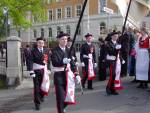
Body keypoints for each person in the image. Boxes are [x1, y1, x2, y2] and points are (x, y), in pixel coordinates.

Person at [51, 32, 81, 113]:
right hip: (59, 76)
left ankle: (63, 107)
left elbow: (72, 64)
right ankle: (60, 111)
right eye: (62, 39)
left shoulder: (69, 50)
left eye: (66, 39)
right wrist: (62, 61)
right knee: (60, 97)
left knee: (68, 95)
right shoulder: (54, 50)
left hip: (68, 76)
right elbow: (54, 62)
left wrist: (76, 74)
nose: (65, 40)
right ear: (59, 40)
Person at [28, 37, 50, 110]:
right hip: (36, 71)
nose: (41, 44)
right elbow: (30, 61)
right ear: (37, 43)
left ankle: (41, 96)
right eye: (39, 43)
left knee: (43, 85)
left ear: (44, 43)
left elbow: (48, 60)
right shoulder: (33, 51)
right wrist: (31, 71)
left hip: (44, 70)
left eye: (42, 43)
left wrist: (49, 68)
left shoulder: (46, 50)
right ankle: (37, 103)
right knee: (37, 87)